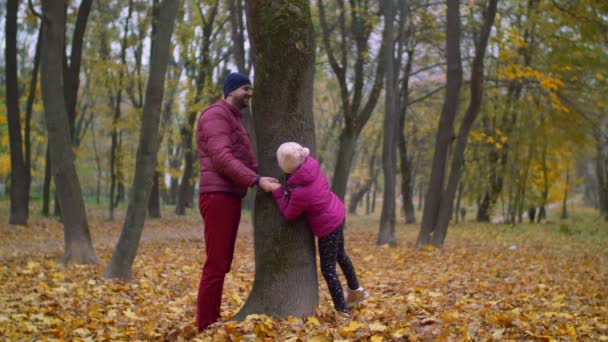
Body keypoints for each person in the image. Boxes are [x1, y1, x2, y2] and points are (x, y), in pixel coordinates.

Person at [195, 72, 278, 331]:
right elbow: (221, 158)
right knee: (216, 263)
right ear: (230, 90)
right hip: (217, 195)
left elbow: (246, 160)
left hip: (229, 195)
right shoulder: (215, 115)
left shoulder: (233, 119)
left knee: (223, 262)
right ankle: (205, 323)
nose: (249, 94)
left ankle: (212, 318)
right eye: (245, 89)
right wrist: (256, 180)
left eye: (250, 89)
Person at [268, 142, 369, 316]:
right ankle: (356, 290)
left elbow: (289, 214)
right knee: (340, 254)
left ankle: (342, 311)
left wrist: (277, 191)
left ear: (286, 167)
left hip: (327, 225)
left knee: (328, 269)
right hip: (337, 213)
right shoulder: (312, 167)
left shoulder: (301, 191)